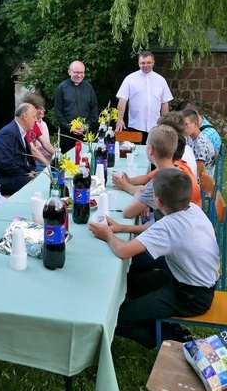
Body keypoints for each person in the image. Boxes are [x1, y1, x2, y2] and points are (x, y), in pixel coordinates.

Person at [89, 168, 219, 348]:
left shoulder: (170, 225)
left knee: (118, 318)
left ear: (157, 201)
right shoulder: (193, 210)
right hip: (186, 280)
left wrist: (108, 235)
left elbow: (123, 251)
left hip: (191, 297)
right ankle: (157, 320)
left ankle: (169, 336)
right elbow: (155, 229)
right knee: (131, 284)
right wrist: (122, 228)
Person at [115, 51, 173, 144]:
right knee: (135, 153)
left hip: (155, 125)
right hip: (136, 125)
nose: (146, 65)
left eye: (148, 62)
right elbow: (122, 100)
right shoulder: (130, 79)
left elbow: (165, 103)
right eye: (143, 63)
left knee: (154, 154)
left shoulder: (161, 80)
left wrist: (165, 123)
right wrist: (120, 119)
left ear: (153, 62)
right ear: (138, 63)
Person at [0, 103, 39, 195]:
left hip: (14, 175)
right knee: (37, 184)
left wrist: (30, 171)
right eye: (34, 116)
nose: (36, 120)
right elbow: (5, 163)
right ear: (25, 116)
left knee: (42, 178)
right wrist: (26, 174)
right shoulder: (8, 133)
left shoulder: (19, 132)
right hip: (4, 179)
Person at [54, 60, 99, 153]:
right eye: (76, 72)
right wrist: (69, 127)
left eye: (82, 72)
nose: (79, 75)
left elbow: (94, 109)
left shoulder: (88, 87)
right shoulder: (62, 88)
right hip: (67, 134)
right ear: (69, 72)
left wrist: (86, 125)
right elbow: (58, 111)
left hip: (85, 133)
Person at [21, 92, 55, 168]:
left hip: (36, 161)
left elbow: (45, 143)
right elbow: (33, 150)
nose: (42, 110)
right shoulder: (23, 126)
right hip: (28, 164)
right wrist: (49, 166)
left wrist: (59, 156)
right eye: (38, 108)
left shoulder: (34, 123)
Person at [182, 108, 217, 178]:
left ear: (195, 123)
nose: (183, 128)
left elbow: (197, 173)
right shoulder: (190, 138)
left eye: (186, 124)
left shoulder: (201, 144)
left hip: (201, 183)